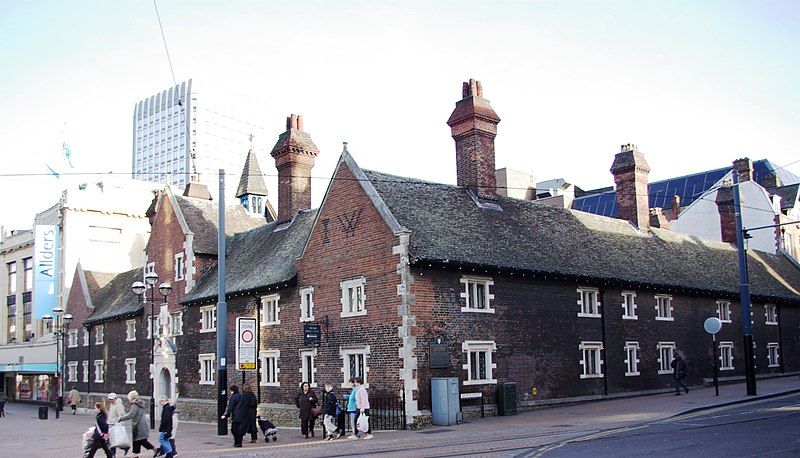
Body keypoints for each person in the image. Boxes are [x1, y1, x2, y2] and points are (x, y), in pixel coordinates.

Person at [117, 390, 156, 457]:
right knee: (142, 441)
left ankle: (135, 455)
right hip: (142, 425)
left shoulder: (135, 405)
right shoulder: (140, 403)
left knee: (137, 440)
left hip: (138, 426)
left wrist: (121, 418)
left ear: (131, 398)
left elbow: (131, 415)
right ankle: (154, 450)